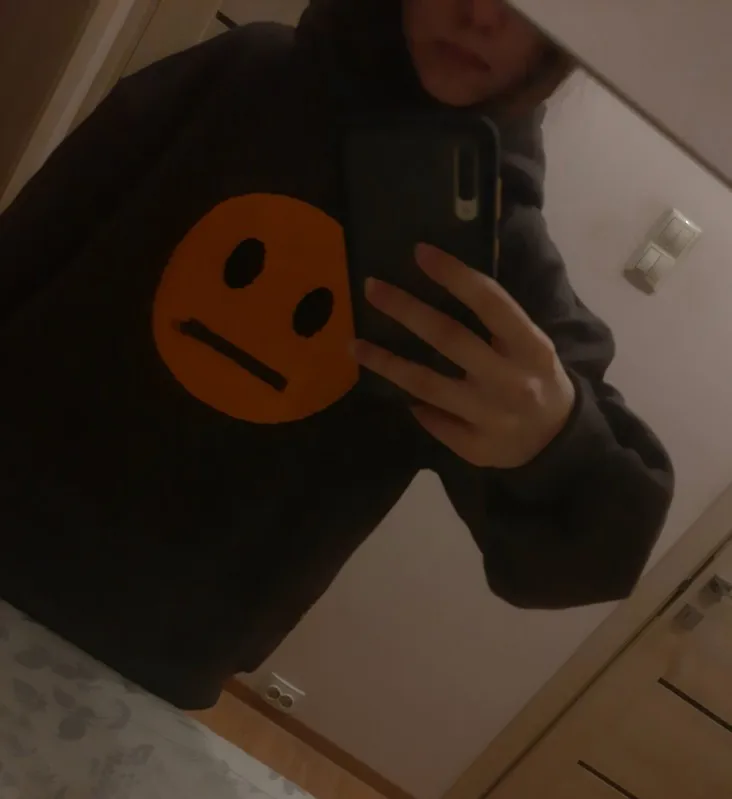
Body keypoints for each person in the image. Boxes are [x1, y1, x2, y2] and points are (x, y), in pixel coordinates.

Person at [0, 0, 673, 716]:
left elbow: (607, 547)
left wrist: (557, 444)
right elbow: (35, 240)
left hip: (150, 653)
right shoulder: (242, 73)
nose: (481, 13)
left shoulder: (500, 261)